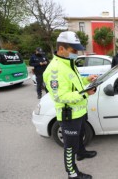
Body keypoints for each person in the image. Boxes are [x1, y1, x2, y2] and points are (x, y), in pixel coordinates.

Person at [43, 31, 98, 179]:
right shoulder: (54, 70)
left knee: (80, 136)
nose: (76, 52)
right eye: (73, 50)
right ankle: (72, 174)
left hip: (79, 111)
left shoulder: (68, 63)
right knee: (69, 147)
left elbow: (75, 83)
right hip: (69, 115)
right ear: (61, 49)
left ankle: (81, 153)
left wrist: (87, 80)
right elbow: (61, 96)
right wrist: (86, 93)